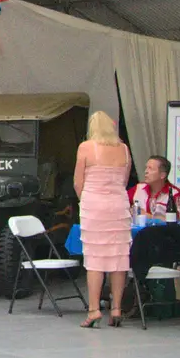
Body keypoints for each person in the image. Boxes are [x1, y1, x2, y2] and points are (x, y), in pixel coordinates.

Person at [73, 111, 132, 328]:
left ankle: (94, 309)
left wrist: (86, 201)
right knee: (119, 258)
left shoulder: (86, 148)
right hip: (118, 206)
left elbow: (78, 182)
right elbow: (124, 180)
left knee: (95, 260)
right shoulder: (124, 149)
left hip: (94, 206)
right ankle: (116, 308)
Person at [128, 155, 180, 222]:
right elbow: (122, 204)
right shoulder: (138, 188)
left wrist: (147, 216)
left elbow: (179, 222)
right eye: (146, 168)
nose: (146, 171)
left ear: (162, 175)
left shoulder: (175, 194)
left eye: (150, 168)